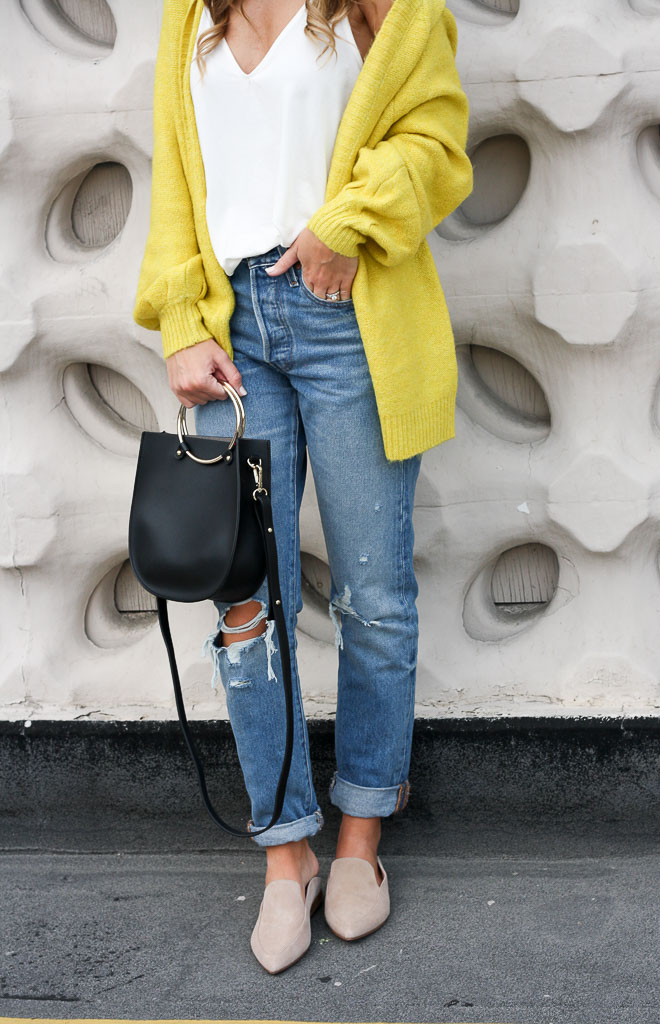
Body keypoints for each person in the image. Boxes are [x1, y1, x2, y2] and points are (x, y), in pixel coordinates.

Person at [133, 0, 472, 975]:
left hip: (345, 312)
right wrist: (181, 322)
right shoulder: (190, 14)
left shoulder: (387, 8)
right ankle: (285, 853)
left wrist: (343, 226)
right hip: (230, 329)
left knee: (371, 595)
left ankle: (360, 832)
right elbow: (173, 177)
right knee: (245, 599)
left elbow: (435, 139)